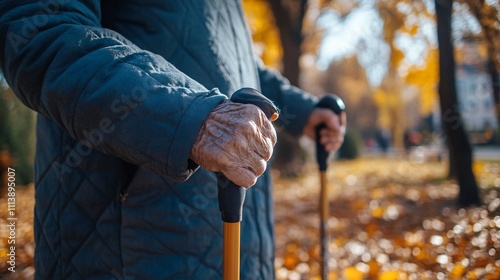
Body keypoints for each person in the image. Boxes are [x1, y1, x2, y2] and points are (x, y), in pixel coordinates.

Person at [0, 1, 346, 279]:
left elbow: (226, 56)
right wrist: (191, 115)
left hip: (234, 235)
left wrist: (301, 112)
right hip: (128, 245)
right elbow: (42, 31)